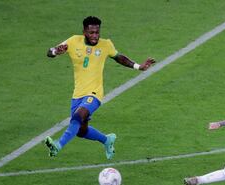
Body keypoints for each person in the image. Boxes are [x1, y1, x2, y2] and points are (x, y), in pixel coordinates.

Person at [44, 16, 155, 159]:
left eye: (97, 32)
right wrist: (55, 52)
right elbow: (50, 52)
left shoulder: (105, 45)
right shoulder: (73, 41)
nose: (95, 36)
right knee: (80, 131)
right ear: (84, 31)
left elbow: (119, 57)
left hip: (94, 93)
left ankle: (57, 145)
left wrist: (139, 66)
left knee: (78, 117)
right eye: (91, 33)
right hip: (78, 94)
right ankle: (107, 140)